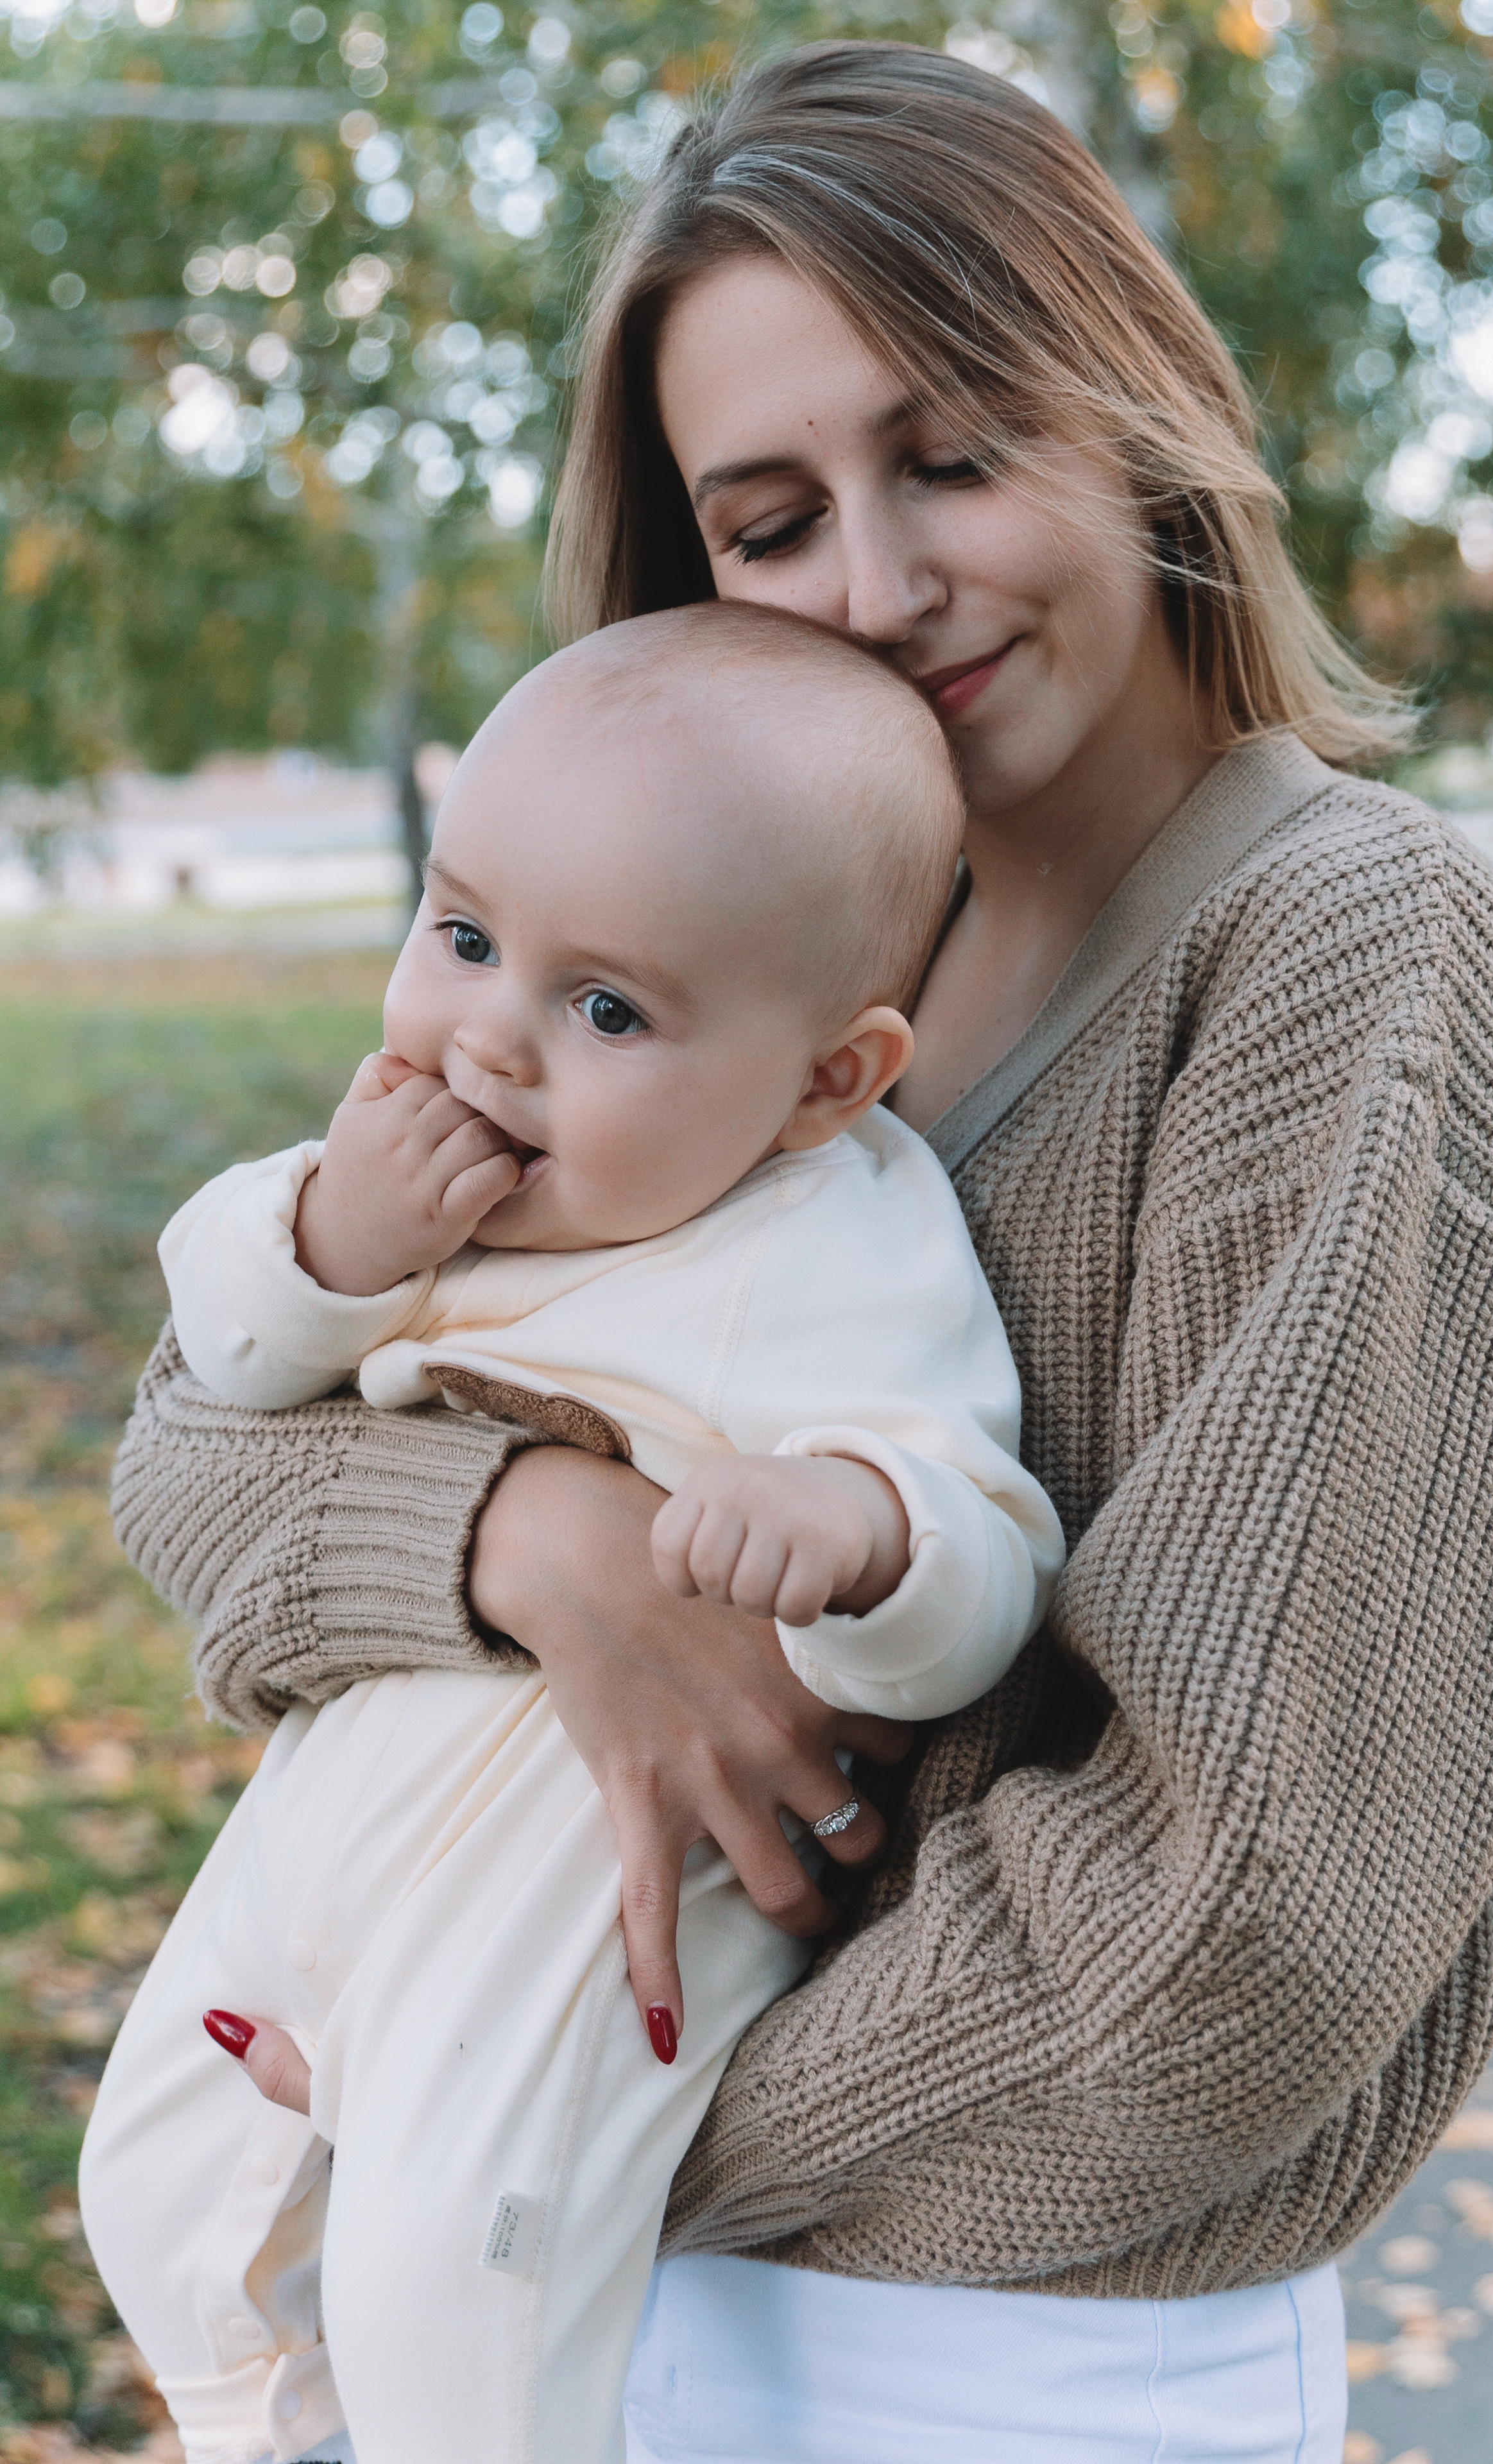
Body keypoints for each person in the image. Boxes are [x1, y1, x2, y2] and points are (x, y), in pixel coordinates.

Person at [107, 40, 1493, 2464]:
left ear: (1130, 414)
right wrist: (539, 1541)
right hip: (558, 2264)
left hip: (999, 2346)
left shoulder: (1345, 958)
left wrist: (537, 2121)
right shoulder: (712, 939)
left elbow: (1243, 1920)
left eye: (950, 456)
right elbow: (202, 1451)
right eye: (770, 513)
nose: (881, 584)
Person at [78, 603, 1063, 2464]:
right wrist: (338, 1244)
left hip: (580, 1884)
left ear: (824, 1084)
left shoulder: (838, 1240)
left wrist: (854, 1534)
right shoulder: (406, 1163)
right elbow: (217, 1352)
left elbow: (986, 1549)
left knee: (455, 2283)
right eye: (460, 938)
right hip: (344, 1795)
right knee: (159, 2177)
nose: (491, 1044)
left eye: (605, 1009)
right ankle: (260, 2432)